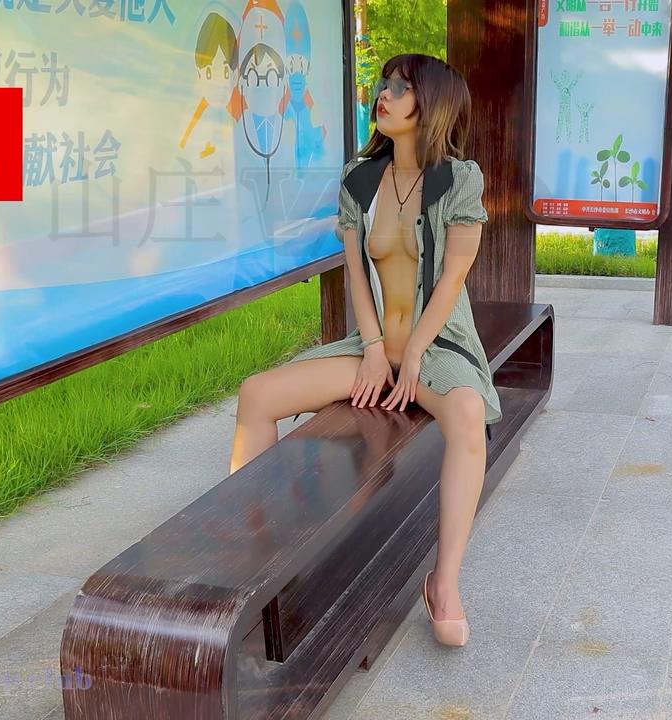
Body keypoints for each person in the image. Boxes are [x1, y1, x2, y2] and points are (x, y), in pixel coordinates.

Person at [229, 54, 501, 648]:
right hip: (372, 348)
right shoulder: (360, 179)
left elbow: (453, 276)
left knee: (465, 412)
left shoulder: (460, 179)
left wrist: (415, 352)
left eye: (402, 88)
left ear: (432, 105)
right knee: (257, 395)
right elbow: (355, 271)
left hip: (437, 346)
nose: (385, 94)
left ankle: (444, 583)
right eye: (385, 84)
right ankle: (255, 566)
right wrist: (375, 348)